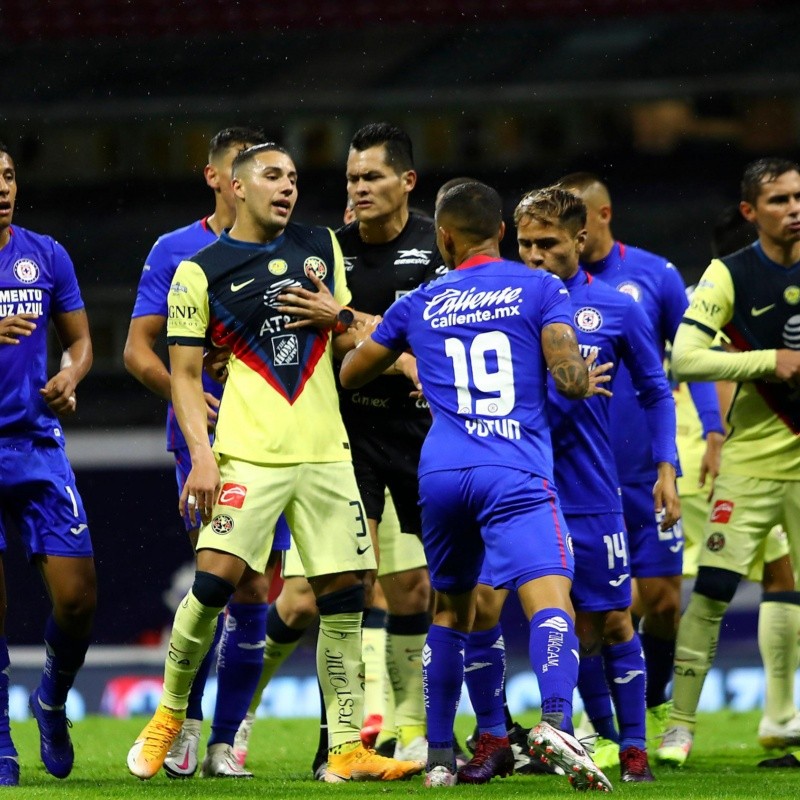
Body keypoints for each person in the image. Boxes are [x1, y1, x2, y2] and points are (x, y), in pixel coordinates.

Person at [125, 142, 423, 784]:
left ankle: (344, 748)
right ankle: (169, 715)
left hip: (326, 453)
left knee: (346, 598)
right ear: (235, 186)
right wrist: (201, 457)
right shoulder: (199, 272)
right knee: (212, 586)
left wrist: (386, 348)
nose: (287, 186)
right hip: (248, 455)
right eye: (271, 175)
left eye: (292, 176)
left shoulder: (322, 248)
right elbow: (182, 373)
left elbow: (344, 336)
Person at [339, 180, 613, 791]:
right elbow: (569, 376)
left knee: (452, 610)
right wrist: (573, 377)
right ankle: (556, 724)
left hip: (439, 473)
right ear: (504, 234)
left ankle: (439, 753)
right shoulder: (540, 287)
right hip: (512, 468)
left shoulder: (423, 300)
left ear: (443, 237)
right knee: (549, 599)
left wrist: (408, 356)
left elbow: (353, 373)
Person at [455, 186, 678, 785]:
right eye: (524, 243)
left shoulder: (616, 308)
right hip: (510, 487)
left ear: (580, 240)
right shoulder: (500, 305)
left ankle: (631, 747)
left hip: (587, 490)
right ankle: (499, 737)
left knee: (609, 621)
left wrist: (666, 468)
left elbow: (656, 391)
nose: (534, 255)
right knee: (484, 608)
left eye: (548, 244)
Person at [273, 122, 444, 766]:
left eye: (372, 176)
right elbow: (338, 340)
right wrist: (377, 341)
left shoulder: (438, 247)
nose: (360, 188)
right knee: (347, 583)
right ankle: (334, 745)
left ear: (406, 182)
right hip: (350, 436)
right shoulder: (331, 253)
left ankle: (470, 729)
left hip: (427, 434)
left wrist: (353, 326)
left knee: (450, 584)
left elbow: (425, 336)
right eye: (351, 178)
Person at [124, 127, 292, 779]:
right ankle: (186, 723)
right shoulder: (176, 250)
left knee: (257, 589)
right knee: (218, 580)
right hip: (203, 445)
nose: (259, 182)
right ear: (217, 178)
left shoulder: (285, 248)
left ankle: (226, 738)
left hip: (273, 443)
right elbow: (138, 347)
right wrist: (187, 393)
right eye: (241, 170)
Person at [555, 172, 725, 752]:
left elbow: (688, 357)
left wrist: (710, 431)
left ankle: (649, 700)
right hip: (579, 473)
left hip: (640, 471)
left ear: (599, 218)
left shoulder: (654, 275)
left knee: (662, 600)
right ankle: (597, 723)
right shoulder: (543, 291)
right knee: (597, 606)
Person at [656, 157, 800, 766]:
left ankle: (784, 717)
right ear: (750, 212)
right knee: (711, 590)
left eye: (799, 198)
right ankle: (678, 727)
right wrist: (768, 362)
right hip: (752, 459)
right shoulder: (730, 274)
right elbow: (687, 359)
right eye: (778, 201)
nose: (794, 209)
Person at [0, 141, 96, 785]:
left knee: (78, 597)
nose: (2, 186)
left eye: (7, 175)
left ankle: (51, 701)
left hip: (36, 445)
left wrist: (72, 373)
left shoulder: (45, 254)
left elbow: (82, 339)